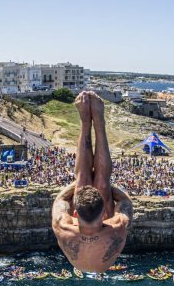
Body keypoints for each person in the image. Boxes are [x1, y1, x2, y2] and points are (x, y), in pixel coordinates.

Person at [52, 91, 133, 273]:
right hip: (105, 259)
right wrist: (103, 187)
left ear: (75, 213)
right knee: (99, 182)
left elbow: (60, 200)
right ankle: (97, 122)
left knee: (84, 181)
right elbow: (125, 201)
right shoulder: (117, 226)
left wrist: (81, 185)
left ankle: (87, 122)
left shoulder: (62, 225)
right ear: (104, 213)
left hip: (78, 254)